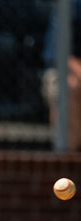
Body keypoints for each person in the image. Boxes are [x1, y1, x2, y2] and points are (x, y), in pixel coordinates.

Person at [42, 0, 81, 151]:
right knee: (70, 86)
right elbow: (59, 55)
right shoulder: (72, 5)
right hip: (68, 72)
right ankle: (67, 163)